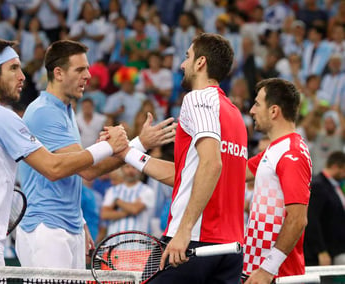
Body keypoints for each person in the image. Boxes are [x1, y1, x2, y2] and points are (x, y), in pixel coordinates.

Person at [0, 38, 129, 265]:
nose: (22, 76)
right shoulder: (2, 116)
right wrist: (109, 146)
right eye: (13, 68)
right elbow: (54, 168)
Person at [15, 40, 177, 269]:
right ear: (58, 73)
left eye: (88, 68)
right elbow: (88, 170)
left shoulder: (65, 110)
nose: (89, 75)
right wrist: (137, 143)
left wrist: (79, 221)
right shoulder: (44, 112)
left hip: (67, 225)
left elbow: (73, 172)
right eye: (80, 69)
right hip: (46, 227)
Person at [116, 33, 248, 283]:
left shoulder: (197, 98)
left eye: (187, 57)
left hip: (192, 242)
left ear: (201, 63)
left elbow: (211, 164)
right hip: (229, 249)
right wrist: (127, 153)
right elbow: (184, 175)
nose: (182, 65)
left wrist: (184, 231)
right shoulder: (235, 115)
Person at [243, 78, 312, 283]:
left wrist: (267, 269)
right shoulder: (274, 150)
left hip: (276, 276)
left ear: (274, 111)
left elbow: (298, 219)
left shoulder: (291, 153)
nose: (252, 111)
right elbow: (224, 175)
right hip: (259, 273)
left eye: (257, 104)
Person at [304, 151, 345, 266]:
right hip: (323, 251)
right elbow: (312, 220)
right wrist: (321, 251)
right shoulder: (318, 186)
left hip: (335, 248)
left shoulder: (334, 185)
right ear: (335, 166)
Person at [101, 164, 155, 236]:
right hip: (114, 240)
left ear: (140, 170)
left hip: (138, 241)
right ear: (122, 169)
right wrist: (129, 209)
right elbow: (104, 214)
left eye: (134, 167)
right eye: (127, 167)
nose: (130, 170)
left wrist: (117, 201)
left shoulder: (147, 191)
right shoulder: (112, 190)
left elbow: (135, 209)